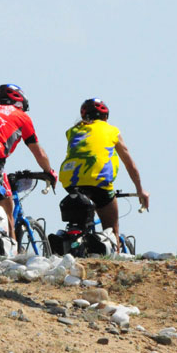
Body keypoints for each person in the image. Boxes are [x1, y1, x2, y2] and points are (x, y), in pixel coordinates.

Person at [58, 98, 150, 251]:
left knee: (82, 213)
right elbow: (129, 164)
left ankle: (76, 238)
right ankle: (114, 251)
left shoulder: (72, 131)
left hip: (70, 182)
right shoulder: (112, 131)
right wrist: (140, 190)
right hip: (99, 182)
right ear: (106, 117)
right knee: (112, 229)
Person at [0, 84, 57, 225]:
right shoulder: (21, 116)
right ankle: (10, 239)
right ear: (20, 103)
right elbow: (38, 152)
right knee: (7, 211)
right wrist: (49, 172)